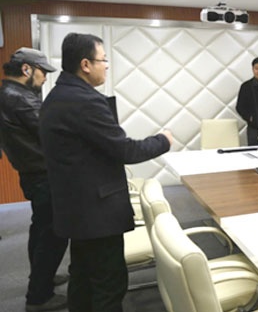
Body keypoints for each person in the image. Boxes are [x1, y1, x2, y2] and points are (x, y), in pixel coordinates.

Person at [39, 33, 173, 312]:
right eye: (103, 59)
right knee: (108, 285)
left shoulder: (59, 95)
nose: (107, 65)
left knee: (83, 278)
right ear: (86, 64)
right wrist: (163, 140)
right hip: (95, 213)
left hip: (77, 208)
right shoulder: (85, 101)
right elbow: (125, 150)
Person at [0, 48, 69, 312]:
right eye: (42, 72)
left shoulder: (8, 94)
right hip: (44, 175)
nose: (44, 78)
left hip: (32, 174)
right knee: (53, 234)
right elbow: (52, 134)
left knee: (40, 228)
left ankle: (42, 279)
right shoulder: (20, 99)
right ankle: (39, 297)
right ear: (26, 69)